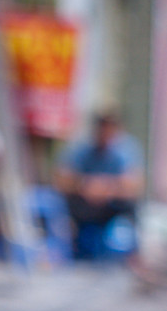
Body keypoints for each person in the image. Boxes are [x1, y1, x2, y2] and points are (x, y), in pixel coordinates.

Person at [56, 110, 143, 263]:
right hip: (86, 202)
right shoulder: (82, 148)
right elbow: (62, 179)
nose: (106, 134)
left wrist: (106, 188)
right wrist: (84, 185)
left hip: (111, 203)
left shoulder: (126, 149)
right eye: (103, 129)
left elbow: (134, 185)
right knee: (62, 204)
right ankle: (68, 248)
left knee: (131, 206)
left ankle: (134, 255)